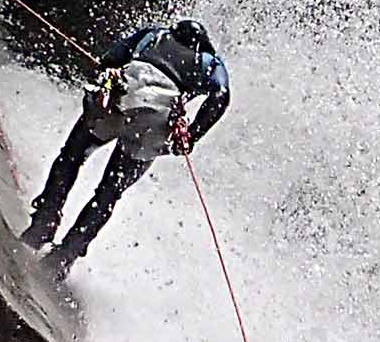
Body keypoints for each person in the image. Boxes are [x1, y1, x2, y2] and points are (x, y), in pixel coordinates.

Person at [24, 19, 231, 276]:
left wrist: (104, 71)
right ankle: (64, 256)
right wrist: (191, 135)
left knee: (71, 156)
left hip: (118, 100)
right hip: (154, 124)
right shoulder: (209, 62)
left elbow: (111, 58)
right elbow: (221, 96)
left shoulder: (153, 35)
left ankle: (44, 221)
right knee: (108, 193)